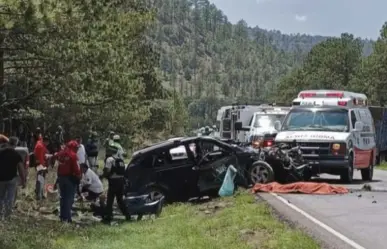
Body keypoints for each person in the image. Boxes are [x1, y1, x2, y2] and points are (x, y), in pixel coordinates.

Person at [0, 137, 26, 220]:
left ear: (8, 143)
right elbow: (21, 169)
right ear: (15, 145)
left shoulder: (1, 152)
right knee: (10, 197)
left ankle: (0, 214)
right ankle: (7, 216)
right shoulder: (16, 155)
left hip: (1, 179)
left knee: (1, 197)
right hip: (11, 179)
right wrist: (23, 180)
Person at [56, 140, 82, 222]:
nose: (77, 149)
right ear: (74, 147)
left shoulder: (61, 153)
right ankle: (67, 218)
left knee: (62, 197)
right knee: (69, 198)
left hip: (60, 178)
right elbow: (77, 170)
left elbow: (55, 158)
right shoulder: (73, 155)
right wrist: (79, 177)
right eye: (77, 148)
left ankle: (62, 216)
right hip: (70, 178)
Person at [101, 145, 128, 223]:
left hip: (113, 181)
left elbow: (107, 170)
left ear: (111, 151)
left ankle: (109, 216)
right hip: (121, 181)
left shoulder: (109, 159)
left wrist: (103, 176)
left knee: (110, 200)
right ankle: (127, 215)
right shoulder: (121, 159)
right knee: (120, 200)